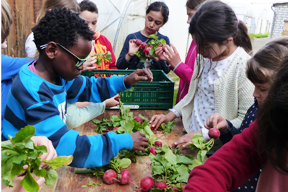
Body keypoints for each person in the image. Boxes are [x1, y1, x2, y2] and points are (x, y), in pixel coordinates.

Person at [2, 8, 152, 168]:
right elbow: (67, 147)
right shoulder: (32, 90)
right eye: (79, 60)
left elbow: (88, 87)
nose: (82, 67)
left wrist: (125, 81)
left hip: (42, 158)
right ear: (52, 51)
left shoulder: (57, 74)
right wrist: (121, 140)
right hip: (19, 168)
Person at [150, 1, 254, 150]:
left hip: (215, 150)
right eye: (196, 44)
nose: (198, 51)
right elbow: (194, 93)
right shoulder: (203, 58)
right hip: (189, 138)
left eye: (204, 46)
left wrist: (204, 134)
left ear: (228, 40)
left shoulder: (244, 67)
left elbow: (244, 121)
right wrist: (170, 115)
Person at [184, 55, 288, 192]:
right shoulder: (273, 120)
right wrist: (227, 128)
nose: (254, 94)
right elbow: (230, 161)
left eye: (262, 89)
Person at [155, 0, 205, 104]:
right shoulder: (195, 41)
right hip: (184, 103)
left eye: (191, 15)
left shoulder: (205, 46)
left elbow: (198, 82)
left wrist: (178, 65)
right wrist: (171, 62)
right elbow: (190, 70)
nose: (188, 21)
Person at [116, 1, 170, 73]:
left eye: (157, 23)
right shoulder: (132, 38)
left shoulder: (163, 41)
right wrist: (130, 55)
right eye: (149, 19)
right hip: (134, 83)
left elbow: (166, 70)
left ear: (163, 24)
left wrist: (155, 57)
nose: (151, 25)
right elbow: (119, 66)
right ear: (145, 15)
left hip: (154, 83)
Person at [79, 0, 117, 73]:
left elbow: (112, 66)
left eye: (94, 23)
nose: (90, 27)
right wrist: (80, 69)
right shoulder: (73, 43)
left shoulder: (104, 41)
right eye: (85, 23)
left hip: (103, 83)